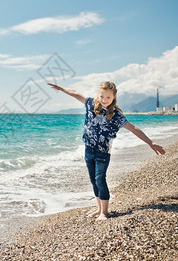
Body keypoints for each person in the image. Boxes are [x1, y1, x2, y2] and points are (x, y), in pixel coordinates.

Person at [48, 81, 166, 221]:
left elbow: (133, 128)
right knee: (93, 180)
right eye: (102, 96)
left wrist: (150, 143)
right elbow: (75, 93)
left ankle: (105, 212)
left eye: (108, 98)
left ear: (114, 97)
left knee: (100, 179)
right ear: (98, 95)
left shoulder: (116, 115)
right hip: (88, 149)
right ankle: (99, 209)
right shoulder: (91, 104)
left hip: (102, 153)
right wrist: (61, 88)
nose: (104, 100)